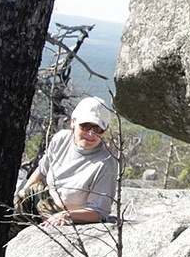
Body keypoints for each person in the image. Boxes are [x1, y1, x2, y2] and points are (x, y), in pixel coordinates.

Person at [14, 96, 119, 228]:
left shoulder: (105, 164)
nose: (91, 134)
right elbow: (42, 170)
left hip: (72, 216)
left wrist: (67, 215)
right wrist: (21, 196)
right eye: (86, 126)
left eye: (98, 129)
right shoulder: (61, 139)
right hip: (45, 198)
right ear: (73, 122)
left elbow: (99, 212)